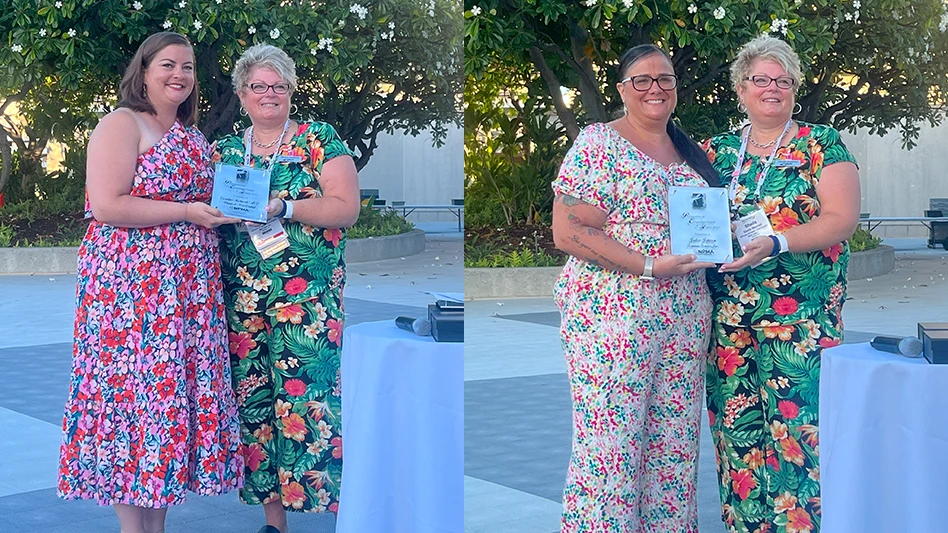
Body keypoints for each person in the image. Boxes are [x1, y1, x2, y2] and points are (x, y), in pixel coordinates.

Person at [57, 32, 244, 533]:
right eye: (167, 65)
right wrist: (185, 211)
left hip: (185, 288)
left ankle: (155, 527)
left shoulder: (191, 133)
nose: (178, 75)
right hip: (131, 289)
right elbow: (107, 205)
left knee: (166, 401)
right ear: (143, 72)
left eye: (187, 67)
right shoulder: (122, 123)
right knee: (130, 398)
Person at [550, 44, 720, 532]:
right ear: (622, 89)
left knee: (674, 451)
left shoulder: (692, 153)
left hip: (685, 315)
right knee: (610, 450)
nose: (655, 89)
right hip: (612, 316)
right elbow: (570, 231)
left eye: (664, 79)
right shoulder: (599, 143)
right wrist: (648, 266)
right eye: (641, 80)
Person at [703, 34, 860, 533]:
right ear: (741, 88)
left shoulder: (820, 143)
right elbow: (691, 217)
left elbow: (841, 219)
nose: (772, 88)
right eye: (760, 80)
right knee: (737, 441)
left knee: (800, 438)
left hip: (798, 321)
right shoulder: (716, 150)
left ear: (793, 88)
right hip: (729, 324)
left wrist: (776, 243)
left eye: (782, 80)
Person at [214, 44, 360, 533]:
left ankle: (337, 521)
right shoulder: (227, 152)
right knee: (255, 411)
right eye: (259, 86)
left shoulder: (319, 139)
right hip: (243, 299)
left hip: (308, 300)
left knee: (310, 408)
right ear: (242, 93)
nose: (269, 94)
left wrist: (286, 208)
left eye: (278, 85)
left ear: (292, 90)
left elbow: (345, 207)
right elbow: (209, 216)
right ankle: (275, 525)